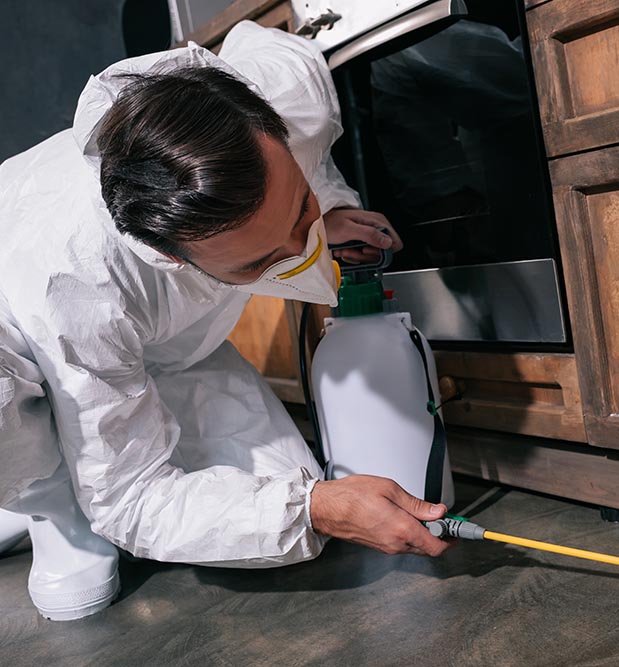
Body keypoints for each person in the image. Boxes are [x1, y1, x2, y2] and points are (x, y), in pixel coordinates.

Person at [0, 21, 450, 622]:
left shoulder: (283, 94)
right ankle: (49, 506)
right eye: (259, 263)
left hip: (170, 342)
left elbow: (263, 49)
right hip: (31, 347)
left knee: (285, 503)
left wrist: (329, 204)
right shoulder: (77, 288)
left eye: (299, 213)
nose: (304, 254)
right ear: (168, 257)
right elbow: (132, 499)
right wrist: (315, 508)